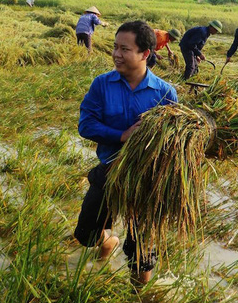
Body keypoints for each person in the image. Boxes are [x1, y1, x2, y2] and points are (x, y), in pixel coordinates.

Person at [75, 20, 178, 286]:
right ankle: (109, 240)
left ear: (145, 54)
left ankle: (138, 299)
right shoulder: (102, 85)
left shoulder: (166, 93)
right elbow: (86, 125)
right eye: (115, 47)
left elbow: (174, 142)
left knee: (142, 253)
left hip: (147, 181)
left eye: (124, 49)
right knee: (86, 234)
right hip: (110, 170)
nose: (116, 54)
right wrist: (122, 136)